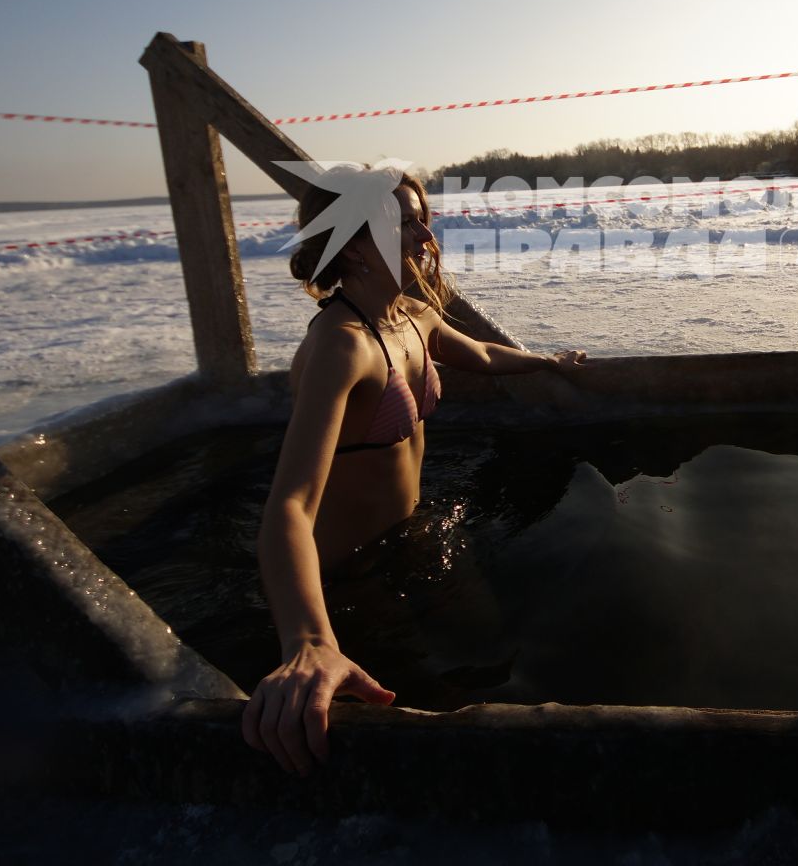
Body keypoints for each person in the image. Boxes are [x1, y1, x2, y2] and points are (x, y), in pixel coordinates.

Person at [242, 170, 586, 774]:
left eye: (419, 213)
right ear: (352, 242)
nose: (425, 231)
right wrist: (309, 642)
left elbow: (478, 354)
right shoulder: (341, 346)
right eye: (404, 219)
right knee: (415, 702)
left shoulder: (413, 315)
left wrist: (545, 359)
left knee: (491, 650)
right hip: (349, 572)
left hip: (414, 537)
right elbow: (290, 507)